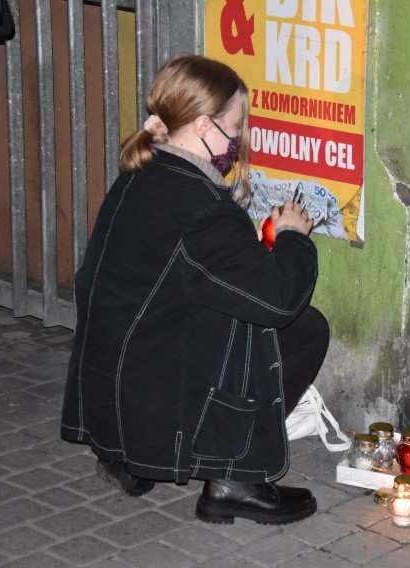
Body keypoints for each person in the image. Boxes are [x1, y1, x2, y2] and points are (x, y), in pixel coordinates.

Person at [61, 55, 329, 526]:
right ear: (204, 125)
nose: (240, 140)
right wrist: (292, 237)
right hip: (152, 398)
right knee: (303, 329)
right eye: (236, 126)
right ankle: (236, 479)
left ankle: (129, 456)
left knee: (219, 309)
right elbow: (278, 300)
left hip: (110, 397)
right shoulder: (201, 207)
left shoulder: (138, 176)